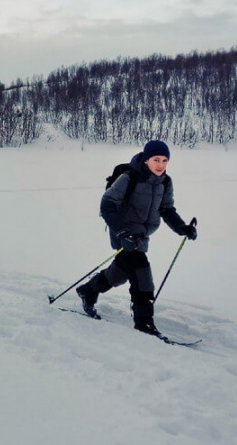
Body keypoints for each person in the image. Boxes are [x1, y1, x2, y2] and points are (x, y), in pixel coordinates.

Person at [76, 140, 197, 335]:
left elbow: (166, 209)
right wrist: (123, 232)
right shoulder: (129, 177)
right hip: (122, 232)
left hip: (141, 236)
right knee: (141, 272)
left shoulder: (165, 182)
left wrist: (182, 227)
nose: (160, 165)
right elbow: (107, 204)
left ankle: (88, 290)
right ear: (146, 159)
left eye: (165, 160)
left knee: (122, 272)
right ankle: (144, 323)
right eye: (156, 159)